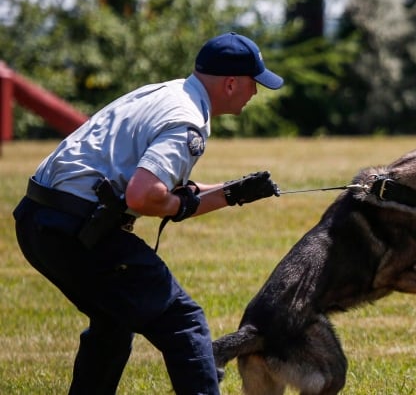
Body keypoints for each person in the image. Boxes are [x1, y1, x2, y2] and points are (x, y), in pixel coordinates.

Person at [13, 32, 284, 394]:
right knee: (183, 321)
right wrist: (178, 203)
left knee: (112, 324)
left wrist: (231, 193)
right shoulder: (188, 122)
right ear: (232, 83)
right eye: (255, 83)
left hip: (39, 220)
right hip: (75, 228)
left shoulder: (166, 93)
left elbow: (161, 193)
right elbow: (144, 196)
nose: (255, 93)